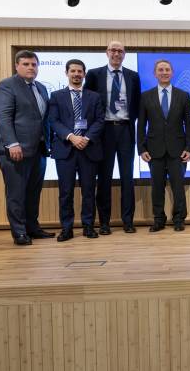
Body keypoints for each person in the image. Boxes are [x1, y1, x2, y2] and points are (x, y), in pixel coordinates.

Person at [0, 50, 55, 245]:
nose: (31, 68)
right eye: (26, 64)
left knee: (33, 192)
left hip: (38, 149)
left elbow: (43, 119)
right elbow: (3, 117)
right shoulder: (6, 86)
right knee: (16, 193)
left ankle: (32, 228)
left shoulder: (41, 88)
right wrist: (12, 143)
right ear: (17, 66)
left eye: (34, 64)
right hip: (14, 150)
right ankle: (19, 233)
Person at [84, 41, 141, 234]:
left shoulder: (133, 76)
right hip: (104, 131)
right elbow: (88, 103)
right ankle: (104, 223)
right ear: (107, 52)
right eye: (113, 50)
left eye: (120, 51)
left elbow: (137, 105)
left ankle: (128, 221)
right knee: (104, 178)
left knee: (127, 178)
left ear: (124, 54)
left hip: (125, 130)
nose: (116, 54)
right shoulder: (94, 74)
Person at [49, 59, 105, 241]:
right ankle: (67, 228)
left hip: (89, 149)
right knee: (66, 192)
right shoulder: (56, 96)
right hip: (65, 149)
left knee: (88, 191)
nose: (76, 74)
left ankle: (88, 226)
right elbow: (54, 121)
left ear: (84, 74)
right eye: (72, 71)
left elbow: (100, 120)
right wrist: (71, 137)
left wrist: (86, 138)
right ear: (66, 73)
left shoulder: (94, 97)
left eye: (79, 71)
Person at [137, 59, 190, 232]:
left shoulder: (183, 95)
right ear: (155, 73)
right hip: (154, 150)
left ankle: (179, 219)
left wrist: (189, 148)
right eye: (160, 70)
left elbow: (189, 124)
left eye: (167, 69)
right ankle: (158, 219)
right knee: (157, 187)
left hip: (178, 150)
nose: (164, 72)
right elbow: (141, 125)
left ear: (172, 73)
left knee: (178, 187)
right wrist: (141, 148)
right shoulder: (145, 96)